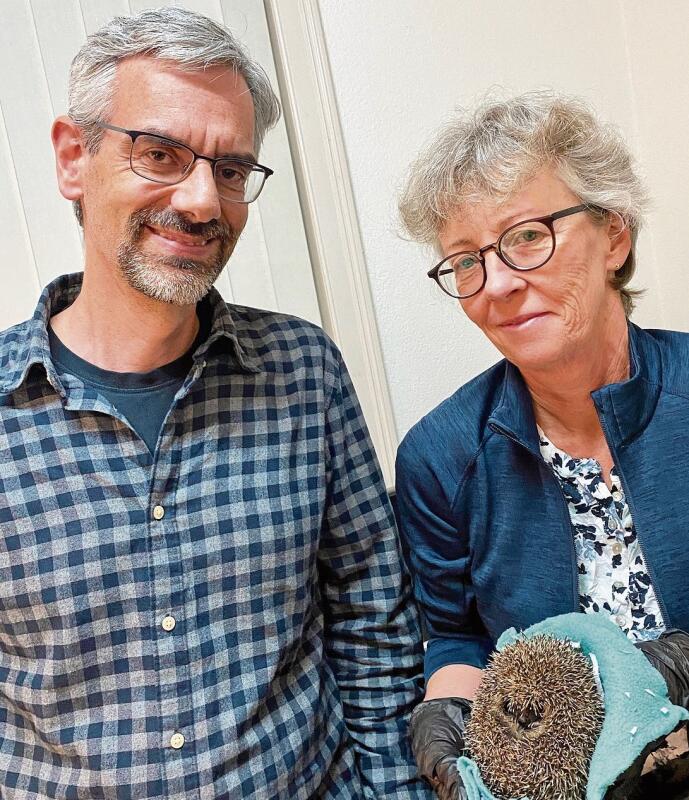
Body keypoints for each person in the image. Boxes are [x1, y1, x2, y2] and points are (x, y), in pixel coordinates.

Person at [0, 8, 432, 799]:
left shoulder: (303, 371)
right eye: (159, 153)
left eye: (231, 169)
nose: (202, 201)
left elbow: (374, 626)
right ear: (74, 157)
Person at [395, 92, 689, 799]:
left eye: (526, 235)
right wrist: (447, 714)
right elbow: (458, 637)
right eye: (464, 261)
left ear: (613, 234)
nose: (495, 284)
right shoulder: (438, 457)